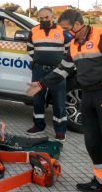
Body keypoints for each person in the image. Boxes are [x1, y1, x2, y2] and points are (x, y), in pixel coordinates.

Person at [27, 9, 102, 192]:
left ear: (77, 24)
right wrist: (40, 84)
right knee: (92, 141)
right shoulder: (74, 44)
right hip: (88, 95)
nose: (65, 34)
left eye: (66, 29)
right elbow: (62, 69)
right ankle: (101, 182)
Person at [26, 7, 71, 142]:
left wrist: (61, 64)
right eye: (41, 18)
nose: (44, 20)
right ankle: (39, 125)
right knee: (38, 99)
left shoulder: (62, 31)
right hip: (39, 70)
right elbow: (29, 48)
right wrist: (38, 60)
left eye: (47, 17)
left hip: (57, 71)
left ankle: (60, 130)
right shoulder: (34, 31)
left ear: (53, 17)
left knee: (59, 100)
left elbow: (69, 51)